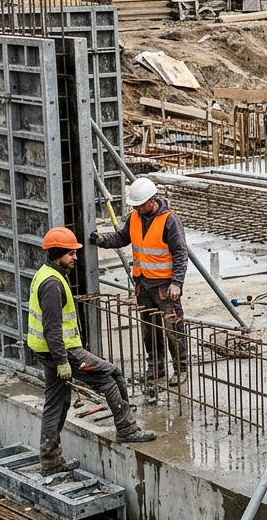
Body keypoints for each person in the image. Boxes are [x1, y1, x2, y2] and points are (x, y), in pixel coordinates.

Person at [28, 227, 155, 474]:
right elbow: (52, 327)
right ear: (57, 255)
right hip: (61, 351)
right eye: (71, 253)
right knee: (110, 376)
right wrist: (63, 361)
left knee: (56, 403)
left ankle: (50, 462)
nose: (76, 257)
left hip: (47, 351)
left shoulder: (45, 274)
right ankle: (127, 429)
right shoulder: (52, 284)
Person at [88, 177, 189, 385]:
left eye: (142, 204)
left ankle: (180, 369)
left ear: (152, 200)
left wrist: (176, 283)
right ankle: (156, 368)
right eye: (136, 205)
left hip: (164, 287)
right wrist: (103, 240)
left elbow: (180, 254)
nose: (139, 208)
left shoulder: (170, 220)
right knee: (148, 329)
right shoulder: (134, 217)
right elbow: (123, 238)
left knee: (173, 328)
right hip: (142, 284)